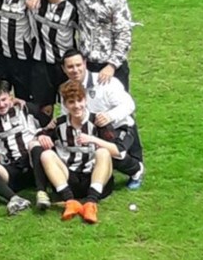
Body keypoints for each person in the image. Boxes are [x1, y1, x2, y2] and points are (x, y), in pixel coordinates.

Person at [30, 81, 120, 224]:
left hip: (94, 178)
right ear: (65, 105)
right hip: (70, 178)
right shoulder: (59, 123)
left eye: (80, 100)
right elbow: (38, 137)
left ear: (85, 100)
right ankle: (70, 201)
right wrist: (42, 135)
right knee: (46, 154)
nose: (77, 106)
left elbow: (118, 151)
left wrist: (93, 139)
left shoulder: (97, 121)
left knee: (103, 152)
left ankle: (91, 202)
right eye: (71, 102)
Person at [61, 49, 145, 189]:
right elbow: (67, 113)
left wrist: (109, 116)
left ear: (85, 64)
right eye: (70, 67)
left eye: (78, 65)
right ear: (63, 69)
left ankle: (136, 170)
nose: (75, 70)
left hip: (119, 126)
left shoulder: (105, 81)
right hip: (92, 131)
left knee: (111, 152)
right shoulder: (65, 89)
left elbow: (129, 105)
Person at [0, 80, 51, 215]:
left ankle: (41, 192)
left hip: (32, 163)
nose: (1, 104)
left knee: (34, 145)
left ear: (11, 97)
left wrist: (42, 134)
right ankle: (14, 199)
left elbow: (49, 124)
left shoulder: (26, 109)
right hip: (11, 169)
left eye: (4, 99)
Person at [69, 0, 138, 91]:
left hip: (111, 67)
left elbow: (124, 36)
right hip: (87, 65)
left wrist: (111, 65)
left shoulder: (116, 1)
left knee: (117, 108)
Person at [31, 0, 78, 116]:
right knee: (44, 110)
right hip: (42, 63)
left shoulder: (73, 6)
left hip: (65, 65)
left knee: (72, 104)